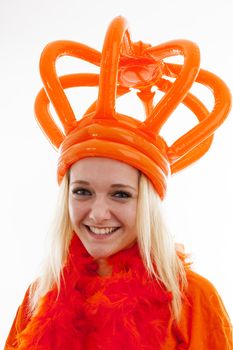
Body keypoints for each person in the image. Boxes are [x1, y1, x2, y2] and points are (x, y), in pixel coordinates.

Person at [5, 16, 233, 349]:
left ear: (147, 205)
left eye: (121, 195)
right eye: (82, 191)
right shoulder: (39, 298)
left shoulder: (193, 300)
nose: (98, 214)